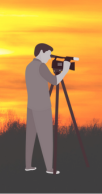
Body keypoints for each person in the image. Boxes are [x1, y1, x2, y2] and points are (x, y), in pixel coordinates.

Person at [25, 43, 70, 175]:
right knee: (46, 138)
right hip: (42, 106)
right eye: (48, 54)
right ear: (41, 52)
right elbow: (55, 81)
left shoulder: (30, 66)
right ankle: (50, 168)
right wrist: (65, 70)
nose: (49, 58)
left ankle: (28, 165)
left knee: (30, 137)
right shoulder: (41, 66)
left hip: (31, 105)